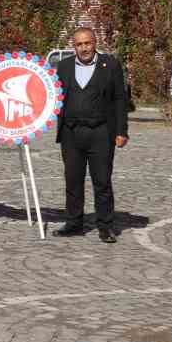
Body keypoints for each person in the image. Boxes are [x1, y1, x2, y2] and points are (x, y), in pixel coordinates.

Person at [54, 26, 131, 242]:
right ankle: (73, 222)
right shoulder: (64, 66)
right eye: (79, 44)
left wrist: (121, 131)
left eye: (87, 43)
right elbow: (53, 95)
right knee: (73, 180)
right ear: (74, 46)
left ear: (94, 43)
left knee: (102, 181)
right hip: (71, 133)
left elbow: (119, 100)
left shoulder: (110, 65)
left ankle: (105, 226)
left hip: (101, 132)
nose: (84, 48)